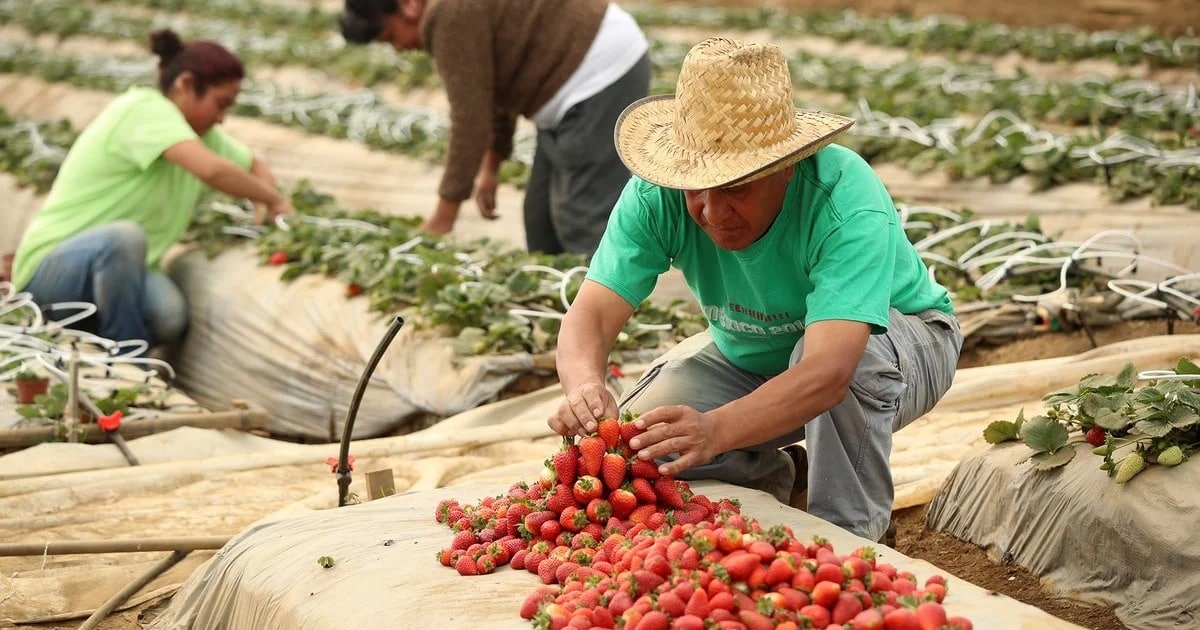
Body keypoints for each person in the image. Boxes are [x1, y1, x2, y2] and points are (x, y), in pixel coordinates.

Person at [548, 38, 963, 543]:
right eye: (696, 188)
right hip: (755, 357)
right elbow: (590, 314)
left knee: (845, 367)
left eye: (736, 188)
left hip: (900, 346)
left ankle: (853, 539)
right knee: (644, 443)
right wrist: (584, 386)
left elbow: (828, 372)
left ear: (785, 165)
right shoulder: (658, 195)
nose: (712, 211)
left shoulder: (843, 200)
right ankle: (778, 475)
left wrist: (718, 430)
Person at [11, 29, 293, 349]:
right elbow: (213, 170)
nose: (222, 118)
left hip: (117, 278)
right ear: (186, 85)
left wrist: (267, 206)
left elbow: (252, 162)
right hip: (52, 272)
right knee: (122, 238)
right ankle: (128, 357)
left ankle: (92, 341)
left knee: (169, 317)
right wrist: (272, 198)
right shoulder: (144, 110)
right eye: (220, 104)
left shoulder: (199, 133)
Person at [339, 0, 650, 256]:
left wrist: (443, 217)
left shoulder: (448, 15)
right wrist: (491, 169)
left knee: (581, 218)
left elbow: (469, 120)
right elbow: (491, 93)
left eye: (391, 37)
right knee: (541, 221)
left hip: (600, 71)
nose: (399, 48)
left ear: (407, 6)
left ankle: (609, 323)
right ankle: (561, 309)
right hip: (568, 82)